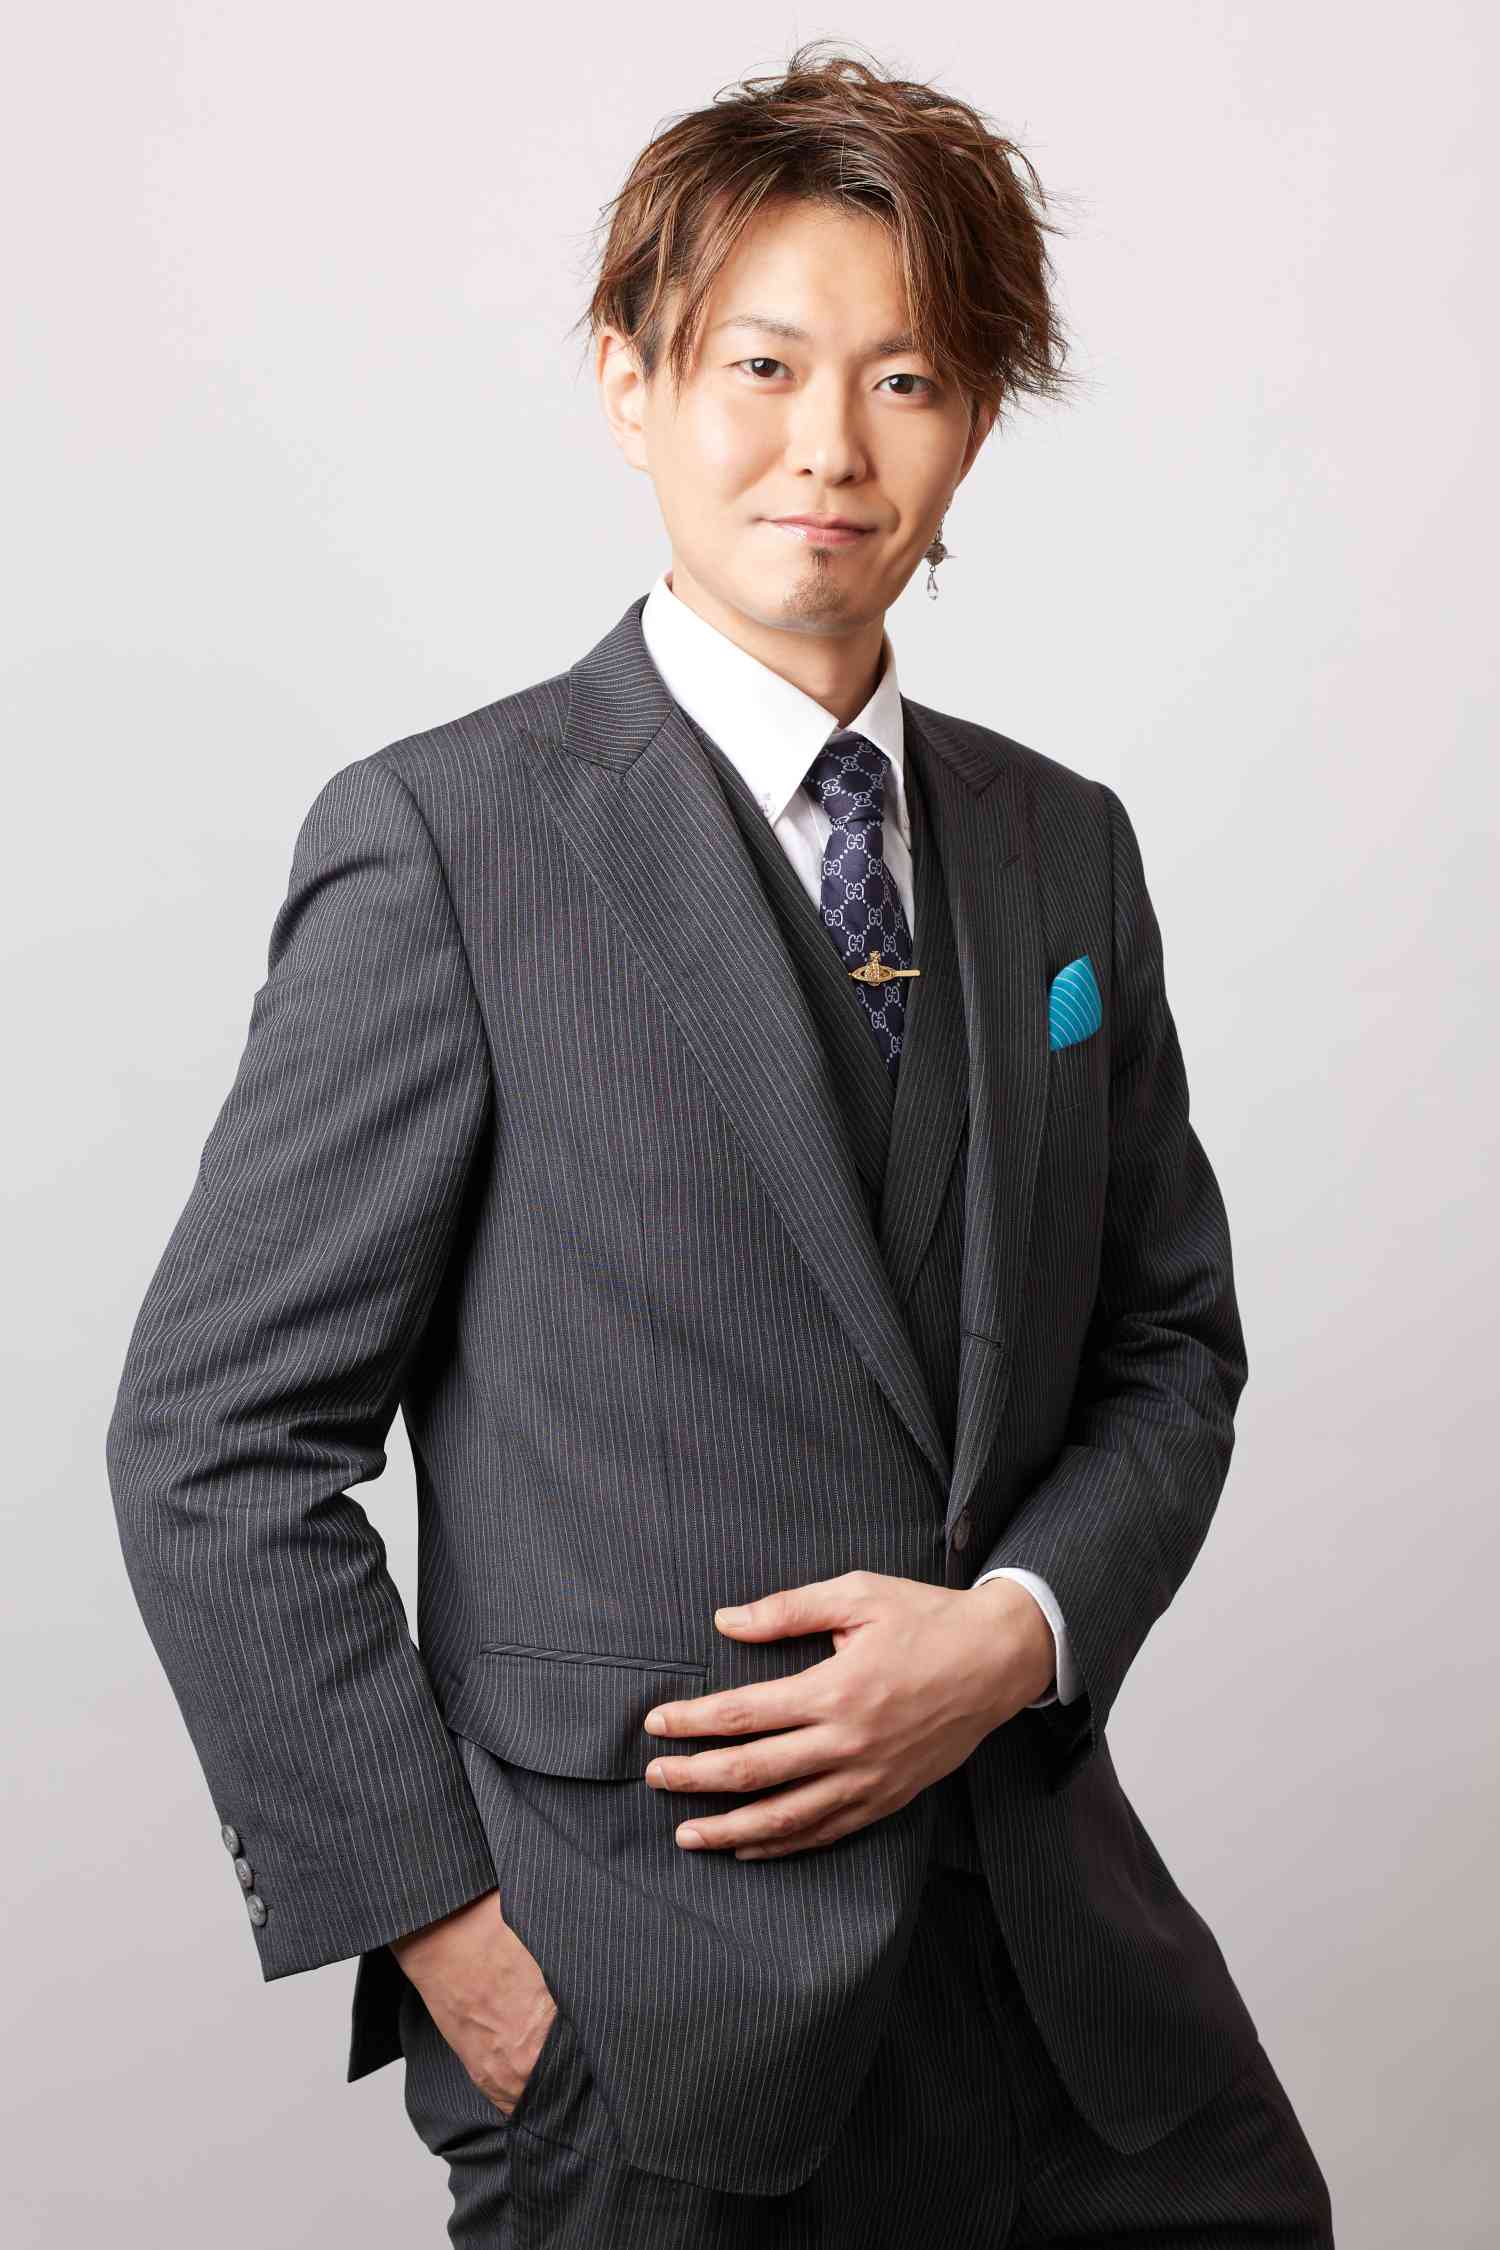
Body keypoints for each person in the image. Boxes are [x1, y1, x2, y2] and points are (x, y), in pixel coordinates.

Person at [107, 39, 1335, 2248]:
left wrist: (1018, 1630)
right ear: (632, 381)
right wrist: (459, 1953)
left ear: (975, 426)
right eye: (762, 364)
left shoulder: (1063, 846)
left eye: (908, 379)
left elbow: (1173, 1349)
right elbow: (211, 1439)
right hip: (642, 2016)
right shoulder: (449, 844)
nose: (830, 446)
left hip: (1067, 1981)